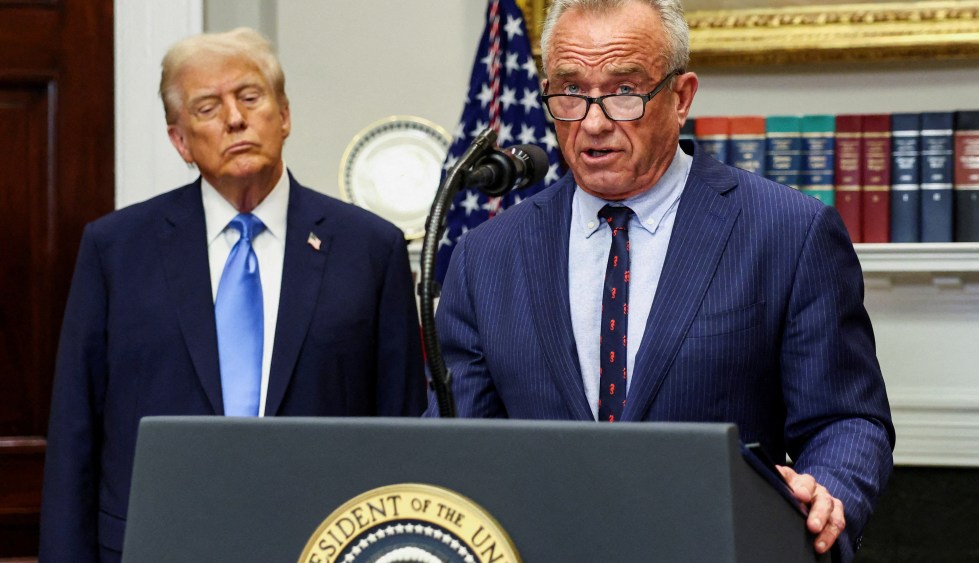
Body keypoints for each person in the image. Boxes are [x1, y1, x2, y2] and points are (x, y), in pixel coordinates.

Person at [426, 1, 893, 560]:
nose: (593, 122)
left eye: (624, 91)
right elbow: (457, 446)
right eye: (570, 92)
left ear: (681, 96)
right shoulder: (485, 256)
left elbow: (846, 418)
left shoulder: (788, 232)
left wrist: (829, 496)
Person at [39, 28, 426, 562]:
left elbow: (402, 434)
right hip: (157, 545)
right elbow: (74, 433)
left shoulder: (369, 249)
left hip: (322, 544)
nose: (235, 119)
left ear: (284, 115)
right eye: (207, 107)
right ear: (180, 141)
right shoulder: (117, 250)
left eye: (250, 97)